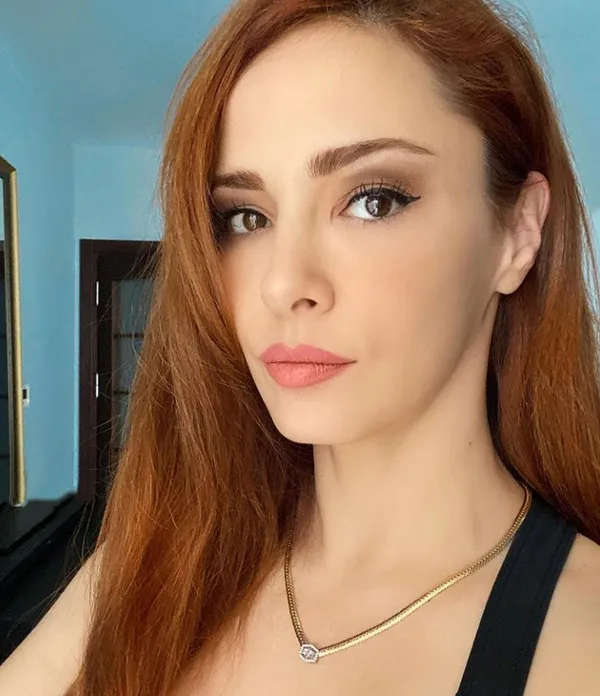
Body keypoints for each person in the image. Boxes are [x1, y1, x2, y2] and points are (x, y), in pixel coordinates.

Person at [1, 0, 600, 694]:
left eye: (374, 200)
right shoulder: (154, 565)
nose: (283, 284)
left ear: (518, 234)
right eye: (245, 217)